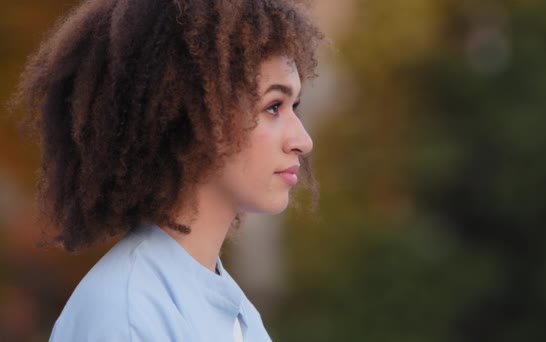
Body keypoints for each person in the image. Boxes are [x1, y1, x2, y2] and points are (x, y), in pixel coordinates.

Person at [14, 0, 323, 340]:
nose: (302, 140)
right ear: (195, 117)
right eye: (273, 106)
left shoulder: (238, 316)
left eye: (294, 106)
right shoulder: (126, 315)